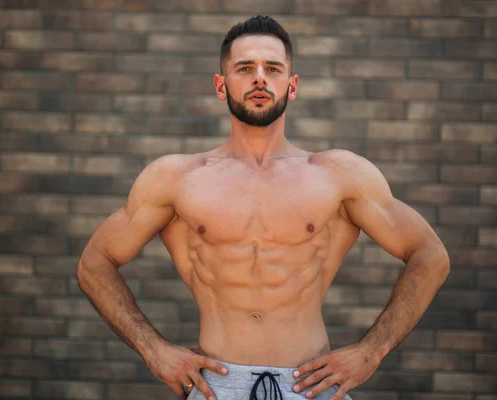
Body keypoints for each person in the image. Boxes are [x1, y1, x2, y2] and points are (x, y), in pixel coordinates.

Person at [77, 15, 450, 400]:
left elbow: (430, 254)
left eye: (272, 68)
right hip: (217, 387)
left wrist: (371, 352)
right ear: (222, 86)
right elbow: (94, 262)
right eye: (245, 68)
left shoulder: (338, 175)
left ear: (292, 85)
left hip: (312, 386)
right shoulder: (176, 179)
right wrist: (153, 349)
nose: (259, 78)